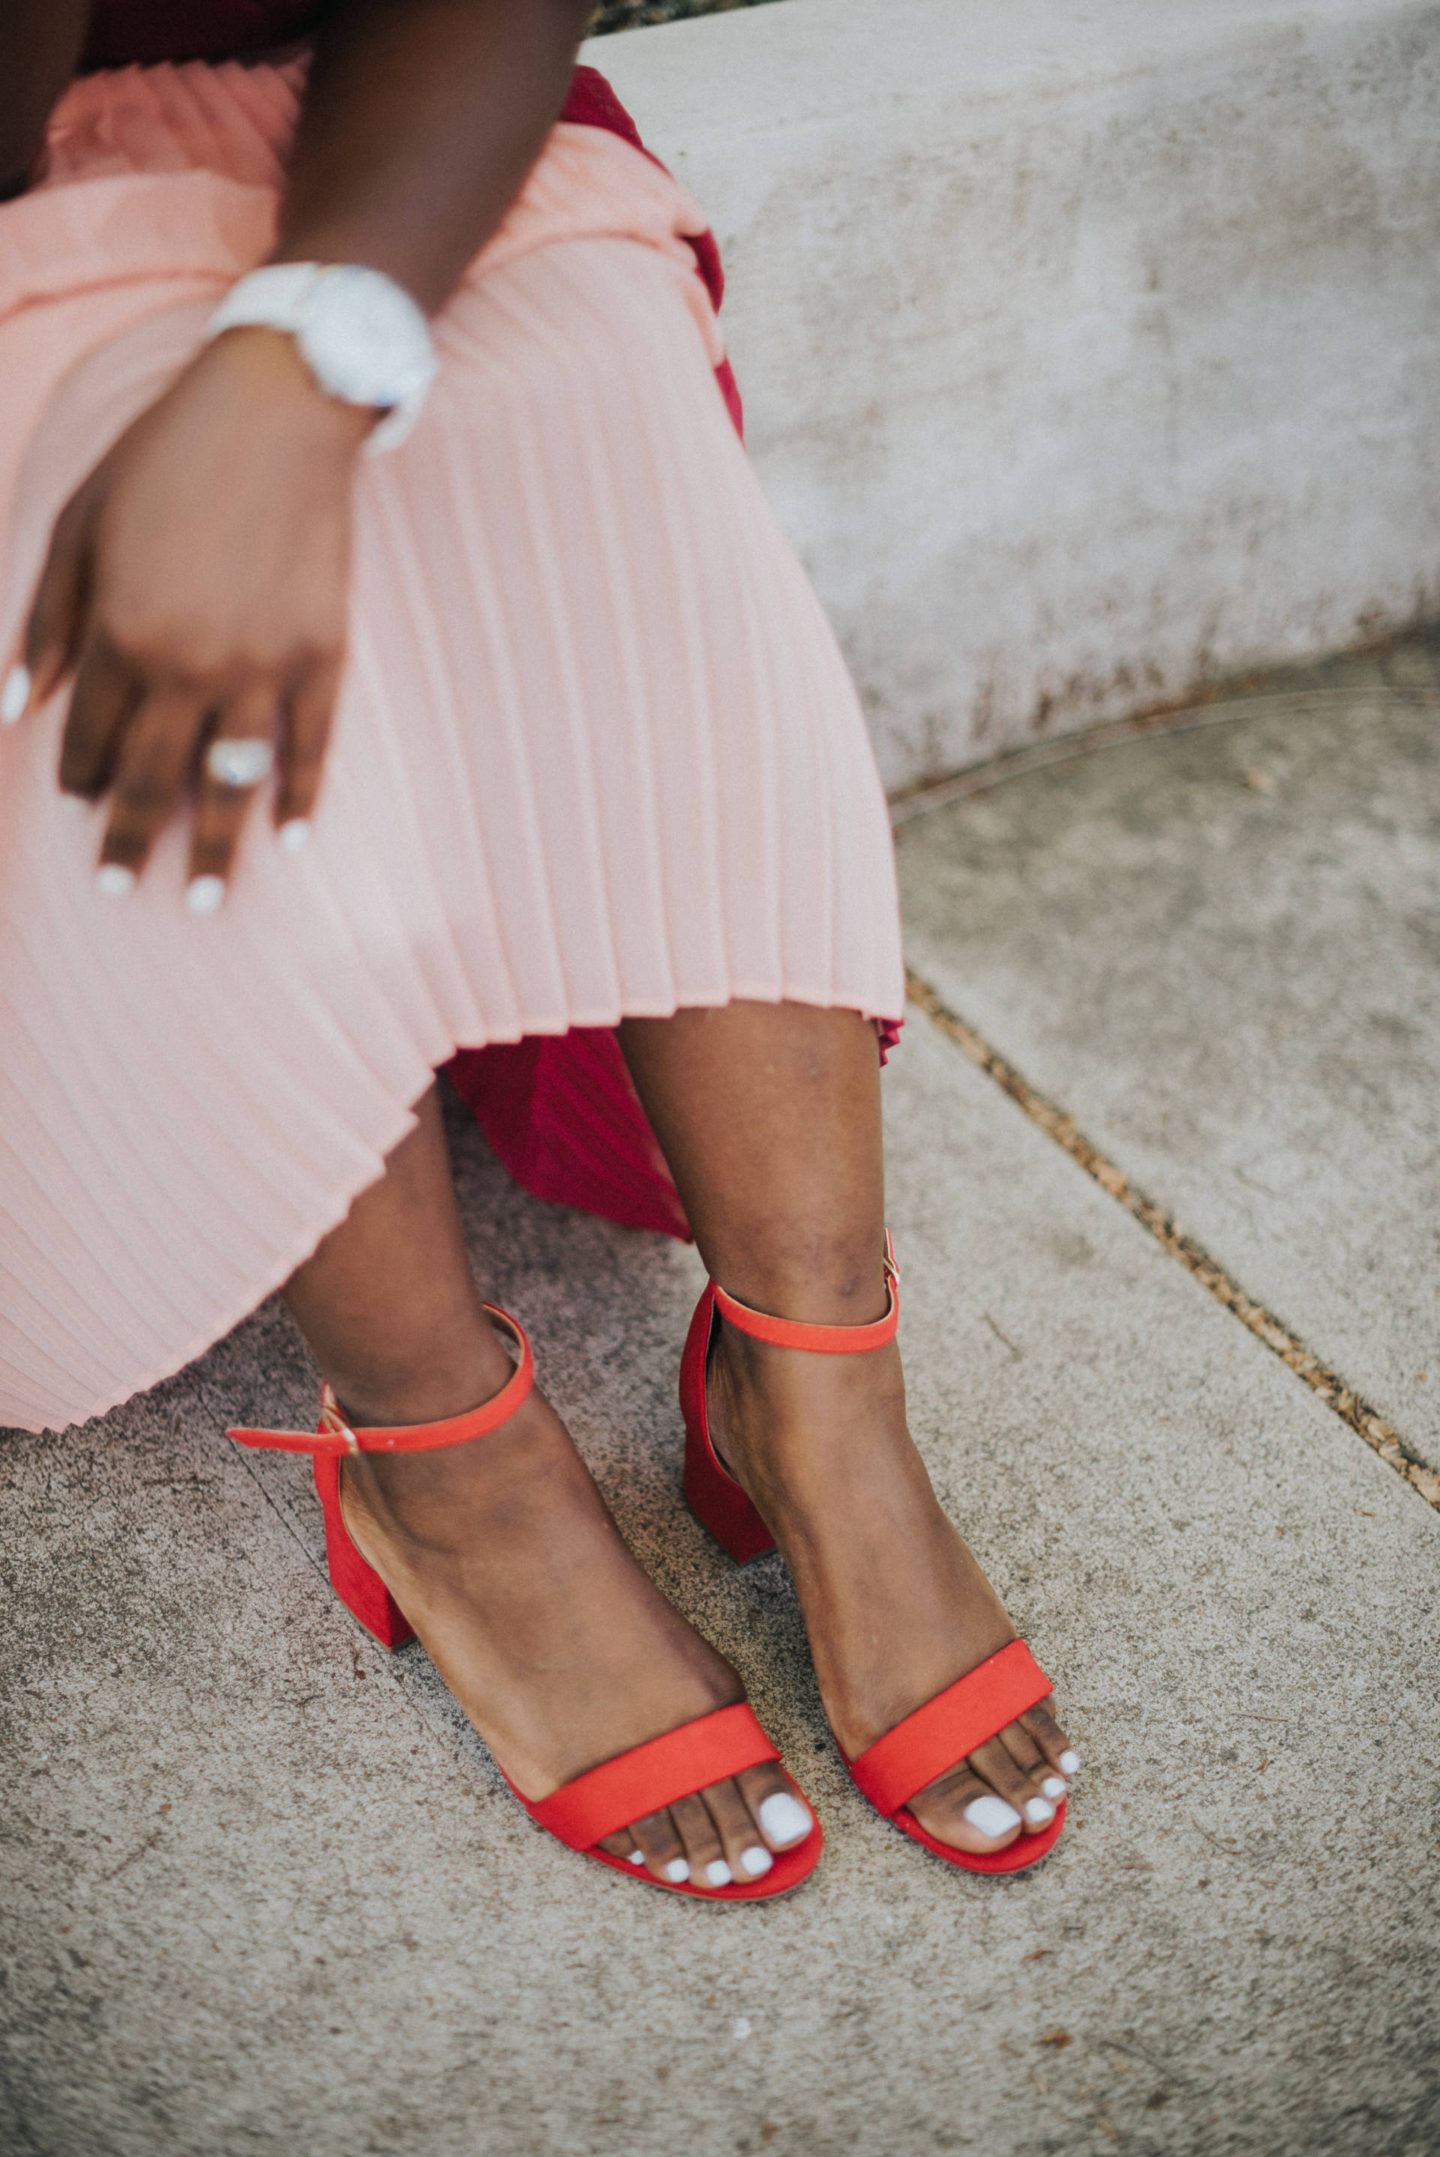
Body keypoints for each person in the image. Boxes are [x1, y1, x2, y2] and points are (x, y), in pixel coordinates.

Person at [0, 0, 1078, 1898]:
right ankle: (441, 1463)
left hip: (385, 120)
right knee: (136, 554)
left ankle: (816, 1386)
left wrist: (297, 357)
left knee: (591, 399)